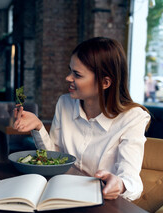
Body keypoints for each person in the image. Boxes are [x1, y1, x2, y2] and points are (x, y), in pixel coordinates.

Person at [14, 37, 150, 201]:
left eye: (77, 74)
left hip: (104, 207)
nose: (68, 78)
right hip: (62, 196)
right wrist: (37, 127)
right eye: (70, 70)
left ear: (105, 82)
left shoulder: (133, 118)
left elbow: (132, 182)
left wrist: (119, 185)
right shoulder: (65, 103)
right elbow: (54, 158)